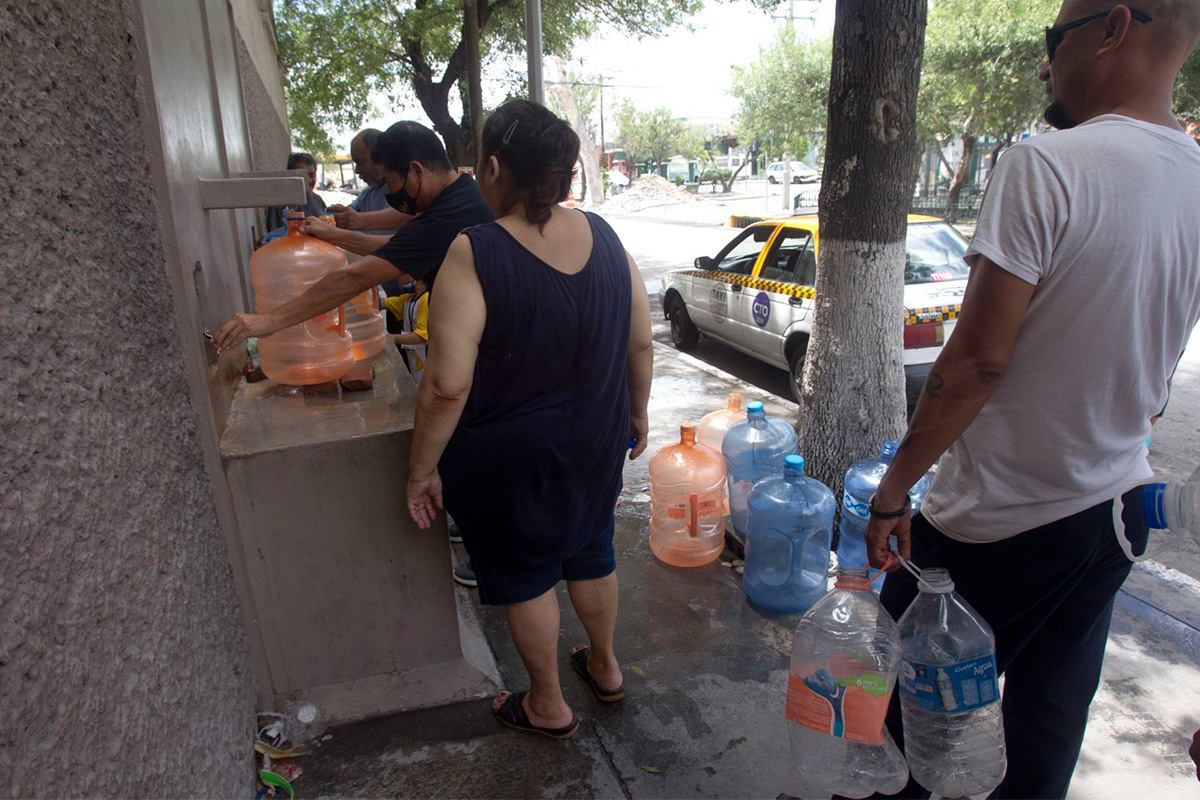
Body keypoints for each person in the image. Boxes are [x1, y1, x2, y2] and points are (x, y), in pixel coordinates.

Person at [863, 3, 1200, 798]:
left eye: (1055, 42)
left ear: (1113, 28)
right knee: (1044, 736)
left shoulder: (1045, 165)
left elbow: (977, 362)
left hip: (995, 526)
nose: (1046, 67)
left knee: (899, 737)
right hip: (1114, 517)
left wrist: (892, 489)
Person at [404, 99, 653, 739]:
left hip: (511, 460)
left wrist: (421, 469)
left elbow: (446, 384)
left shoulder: (476, 250)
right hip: (596, 442)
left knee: (527, 573)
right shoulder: (608, 236)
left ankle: (547, 703)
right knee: (591, 550)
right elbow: (641, 344)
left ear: (492, 167)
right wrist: (637, 412)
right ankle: (605, 666)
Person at [211, 121, 495, 355]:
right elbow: (397, 246)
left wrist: (269, 321)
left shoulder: (446, 218)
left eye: (392, 183)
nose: (392, 195)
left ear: (417, 171)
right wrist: (338, 234)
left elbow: (354, 278)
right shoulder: (462, 196)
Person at [326, 129, 411, 236]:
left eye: (360, 162)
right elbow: (349, 215)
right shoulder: (367, 194)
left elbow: (408, 214)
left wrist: (358, 220)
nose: (357, 170)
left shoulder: (410, 189)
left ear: (379, 156)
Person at [383, 279, 429, 385]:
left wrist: (390, 338)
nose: (396, 279)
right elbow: (382, 303)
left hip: (424, 358)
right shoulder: (407, 300)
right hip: (414, 361)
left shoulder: (425, 299)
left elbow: (421, 337)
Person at [265, 152, 326, 231]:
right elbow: (274, 236)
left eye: (312, 175)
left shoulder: (318, 200)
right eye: (302, 176)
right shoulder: (279, 203)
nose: (309, 180)